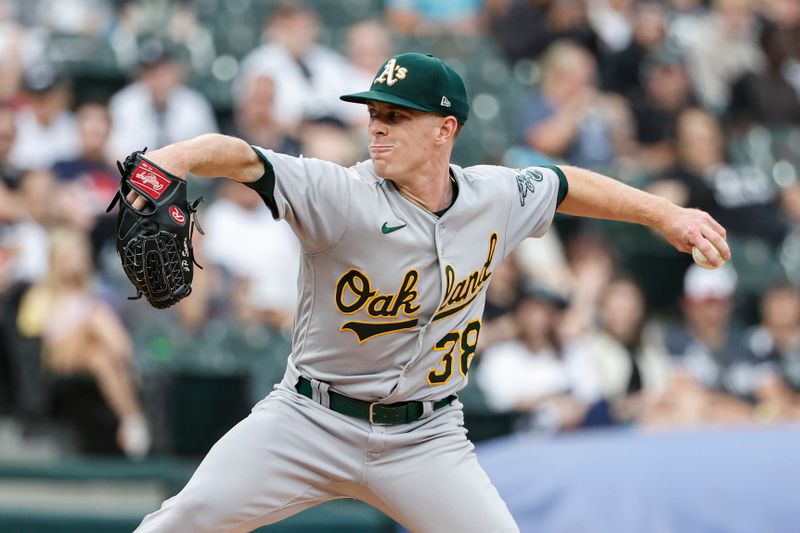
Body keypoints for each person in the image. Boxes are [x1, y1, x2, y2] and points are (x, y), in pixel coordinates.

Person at [131, 52, 729, 532]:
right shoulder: (340, 195)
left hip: (426, 438)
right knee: (180, 523)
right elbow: (244, 159)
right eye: (374, 115)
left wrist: (666, 215)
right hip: (309, 421)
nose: (377, 129)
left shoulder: (494, 197)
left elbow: (566, 182)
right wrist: (176, 156)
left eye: (396, 117)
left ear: (445, 130)